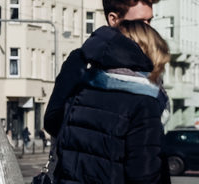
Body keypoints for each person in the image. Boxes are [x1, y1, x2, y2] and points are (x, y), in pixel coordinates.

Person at [47, 20, 168, 183]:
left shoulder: (82, 93)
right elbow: (145, 176)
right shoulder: (144, 103)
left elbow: (52, 123)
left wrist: (79, 56)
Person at [45, 0, 161, 137]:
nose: (148, 28)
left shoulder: (151, 61)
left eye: (150, 21)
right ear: (113, 19)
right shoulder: (82, 60)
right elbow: (53, 122)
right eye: (140, 22)